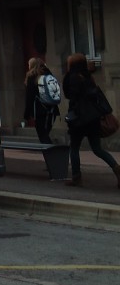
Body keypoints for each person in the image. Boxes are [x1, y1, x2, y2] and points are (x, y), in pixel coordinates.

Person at [62, 52, 120, 188]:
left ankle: (76, 177)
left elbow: (70, 96)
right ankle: (117, 168)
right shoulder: (88, 77)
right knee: (97, 149)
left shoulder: (71, 77)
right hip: (93, 118)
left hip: (79, 119)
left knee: (74, 147)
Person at [23, 57, 56, 143]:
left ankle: (52, 154)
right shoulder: (48, 74)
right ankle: (50, 154)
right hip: (52, 109)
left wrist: (27, 114)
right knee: (46, 133)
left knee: (42, 135)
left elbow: (29, 97)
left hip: (39, 110)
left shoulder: (32, 77)